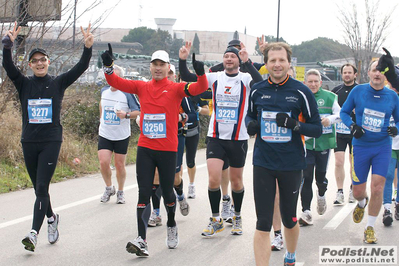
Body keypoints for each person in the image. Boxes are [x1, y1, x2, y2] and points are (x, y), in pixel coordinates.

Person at [101, 45, 208, 256]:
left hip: (167, 149)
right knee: (144, 191)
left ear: (168, 68)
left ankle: (170, 223)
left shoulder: (177, 88)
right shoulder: (142, 87)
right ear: (150, 67)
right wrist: (108, 66)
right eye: (155, 65)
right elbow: (115, 81)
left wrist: (201, 73)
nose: (158, 68)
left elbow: (199, 89)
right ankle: (141, 240)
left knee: (167, 191)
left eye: (162, 65)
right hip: (146, 148)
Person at [2, 22, 93, 252]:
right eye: (36, 61)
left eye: (43, 60)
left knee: (42, 186)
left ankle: (33, 233)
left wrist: (88, 47)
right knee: (38, 190)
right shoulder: (24, 84)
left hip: (51, 141)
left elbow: (81, 67)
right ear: (31, 65)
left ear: (48, 62)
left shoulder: (58, 82)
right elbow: (8, 66)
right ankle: (52, 218)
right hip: (29, 141)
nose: (40, 63)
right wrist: (7, 45)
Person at [246, 42, 322, 266]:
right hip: (263, 162)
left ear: (289, 63)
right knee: (263, 221)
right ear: (266, 64)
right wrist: (251, 125)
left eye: (281, 60)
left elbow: (316, 128)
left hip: (291, 163)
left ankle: (290, 257)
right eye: (272, 60)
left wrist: (294, 125)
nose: (277, 65)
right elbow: (250, 117)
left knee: (289, 218)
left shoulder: (301, 91)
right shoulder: (258, 90)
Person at [179, 41, 262, 237]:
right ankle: (216, 219)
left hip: (238, 138)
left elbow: (260, 84)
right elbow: (189, 78)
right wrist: (183, 59)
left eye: (233, 56)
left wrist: (248, 61)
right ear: (222, 60)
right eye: (226, 56)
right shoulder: (214, 77)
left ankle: (238, 216)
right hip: (215, 136)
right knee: (213, 179)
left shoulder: (245, 77)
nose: (229, 59)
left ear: (238, 60)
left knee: (236, 181)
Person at [340, 58, 399, 244]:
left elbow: (398, 120)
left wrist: (396, 129)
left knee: (378, 186)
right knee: (358, 191)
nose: (377, 73)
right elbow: (343, 112)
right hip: (361, 146)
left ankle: (370, 227)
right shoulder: (359, 91)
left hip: (382, 147)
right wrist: (352, 126)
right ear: (368, 72)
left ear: (386, 76)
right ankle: (361, 203)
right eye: (374, 70)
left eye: (381, 71)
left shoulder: (393, 96)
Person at [299, 69, 340, 226]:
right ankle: (306, 211)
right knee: (306, 176)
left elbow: (340, 114)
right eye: (310, 81)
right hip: (307, 144)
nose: (313, 84)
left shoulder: (330, 97)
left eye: (316, 81)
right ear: (305, 82)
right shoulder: (301, 96)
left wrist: (329, 119)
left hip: (324, 143)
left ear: (321, 83)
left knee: (320, 178)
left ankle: (321, 194)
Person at [98, 65, 140, 204]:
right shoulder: (104, 91)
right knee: (104, 162)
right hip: (105, 133)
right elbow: (101, 105)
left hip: (121, 135)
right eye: (109, 77)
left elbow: (138, 112)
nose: (111, 80)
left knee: (119, 165)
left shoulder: (127, 93)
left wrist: (126, 115)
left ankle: (121, 191)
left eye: (115, 77)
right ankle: (109, 187)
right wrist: (101, 120)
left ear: (120, 78)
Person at [331, 63, 358, 205]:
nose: (347, 75)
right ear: (342, 74)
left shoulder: (359, 90)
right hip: (340, 132)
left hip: (354, 132)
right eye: (344, 72)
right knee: (338, 162)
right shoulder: (336, 90)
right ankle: (339, 191)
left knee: (353, 163)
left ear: (355, 74)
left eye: (349, 72)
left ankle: (353, 189)